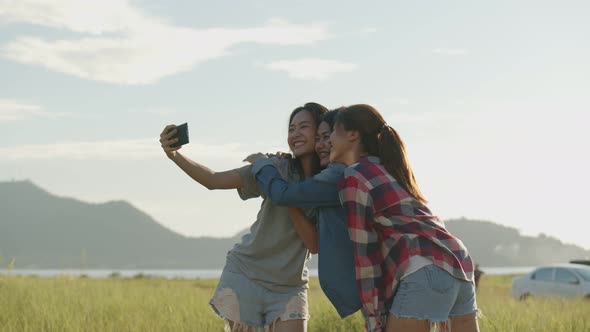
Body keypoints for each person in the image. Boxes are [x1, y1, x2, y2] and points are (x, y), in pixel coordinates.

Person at [159, 103, 328, 332]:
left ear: (321, 131)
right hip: (247, 276)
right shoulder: (273, 166)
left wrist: (282, 193)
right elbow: (213, 180)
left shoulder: (328, 182)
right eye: (291, 128)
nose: (295, 134)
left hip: (290, 285)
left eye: (304, 127)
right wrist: (174, 155)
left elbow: (313, 244)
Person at [330, 104, 479, 332]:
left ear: (352, 134)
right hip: (458, 262)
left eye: (332, 131)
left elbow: (365, 256)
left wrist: (374, 320)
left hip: (423, 268)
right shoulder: (392, 168)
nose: (328, 139)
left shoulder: (354, 176)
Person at [249, 109, 363, 319]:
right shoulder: (339, 176)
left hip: (392, 275)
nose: (322, 145)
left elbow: (282, 195)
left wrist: (262, 162)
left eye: (326, 137)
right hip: (381, 277)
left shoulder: (337, 177)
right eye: (292, 128)